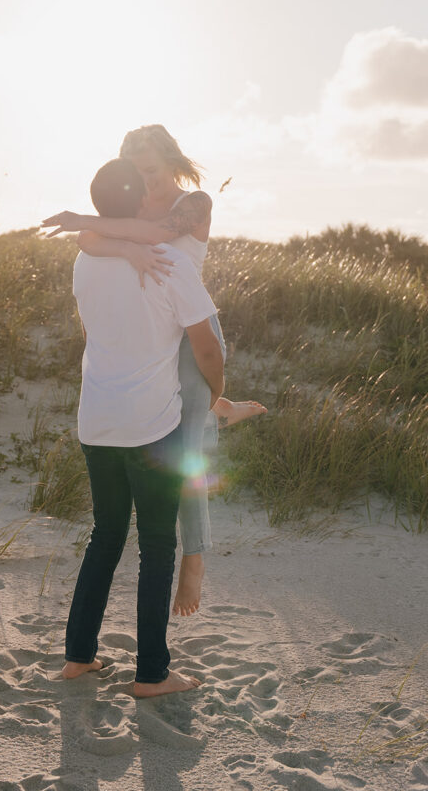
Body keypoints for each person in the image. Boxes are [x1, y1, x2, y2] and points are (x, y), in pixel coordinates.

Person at [42, 124, 266, 618]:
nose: (144, 184)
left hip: (193, 335)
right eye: (136, 175)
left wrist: (97, 225)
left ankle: (195, 559)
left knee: (185, 455)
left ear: (171, 162)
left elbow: (160, 235)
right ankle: (218, 409)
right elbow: (89, 239)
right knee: (178, 443)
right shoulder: (135, 206)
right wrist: (125, 248)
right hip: (154, 336)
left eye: (151, 171)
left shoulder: (196, 203)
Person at [60, 157, 225, 698]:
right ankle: (152, 673)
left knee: (104, 536)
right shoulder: (170, 262)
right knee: (156, 544)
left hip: (96, 421)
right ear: (138, 206)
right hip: (150, 425)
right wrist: (217, 392)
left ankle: (79, 658)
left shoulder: (85, 261)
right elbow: (205, 345)